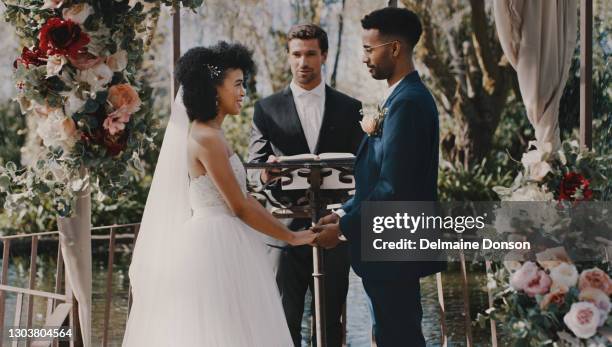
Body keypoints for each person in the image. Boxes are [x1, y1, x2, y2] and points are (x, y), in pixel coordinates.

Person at [122, 42, 316, 347]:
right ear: (214, 88)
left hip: (227, 238)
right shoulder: (206, 137)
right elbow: (239, 206)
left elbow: (245, 199)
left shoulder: (213, 133)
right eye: (238, 84)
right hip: (214, 246)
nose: (243, 93)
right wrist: (292, 237)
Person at [314, 8, 445, 347]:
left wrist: (342, 230)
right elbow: (377, 180)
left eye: (370, 49)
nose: (364, 58)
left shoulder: (410, 103)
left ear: (396, 48)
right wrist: (344, 211)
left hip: (394, 250)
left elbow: (394, 188)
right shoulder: (400, 99)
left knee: (399, 338)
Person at [247, 24, 363, 347]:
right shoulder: (265, 109)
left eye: (311, 54)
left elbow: (364, 166)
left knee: (330, 327)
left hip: (334, 230)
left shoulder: (350, 108)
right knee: (284, 325)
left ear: (323, 55)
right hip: (283, 231)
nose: (303, 62)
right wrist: (265, 174)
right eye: (296, 54)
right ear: (288, 57)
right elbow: (253, 168)